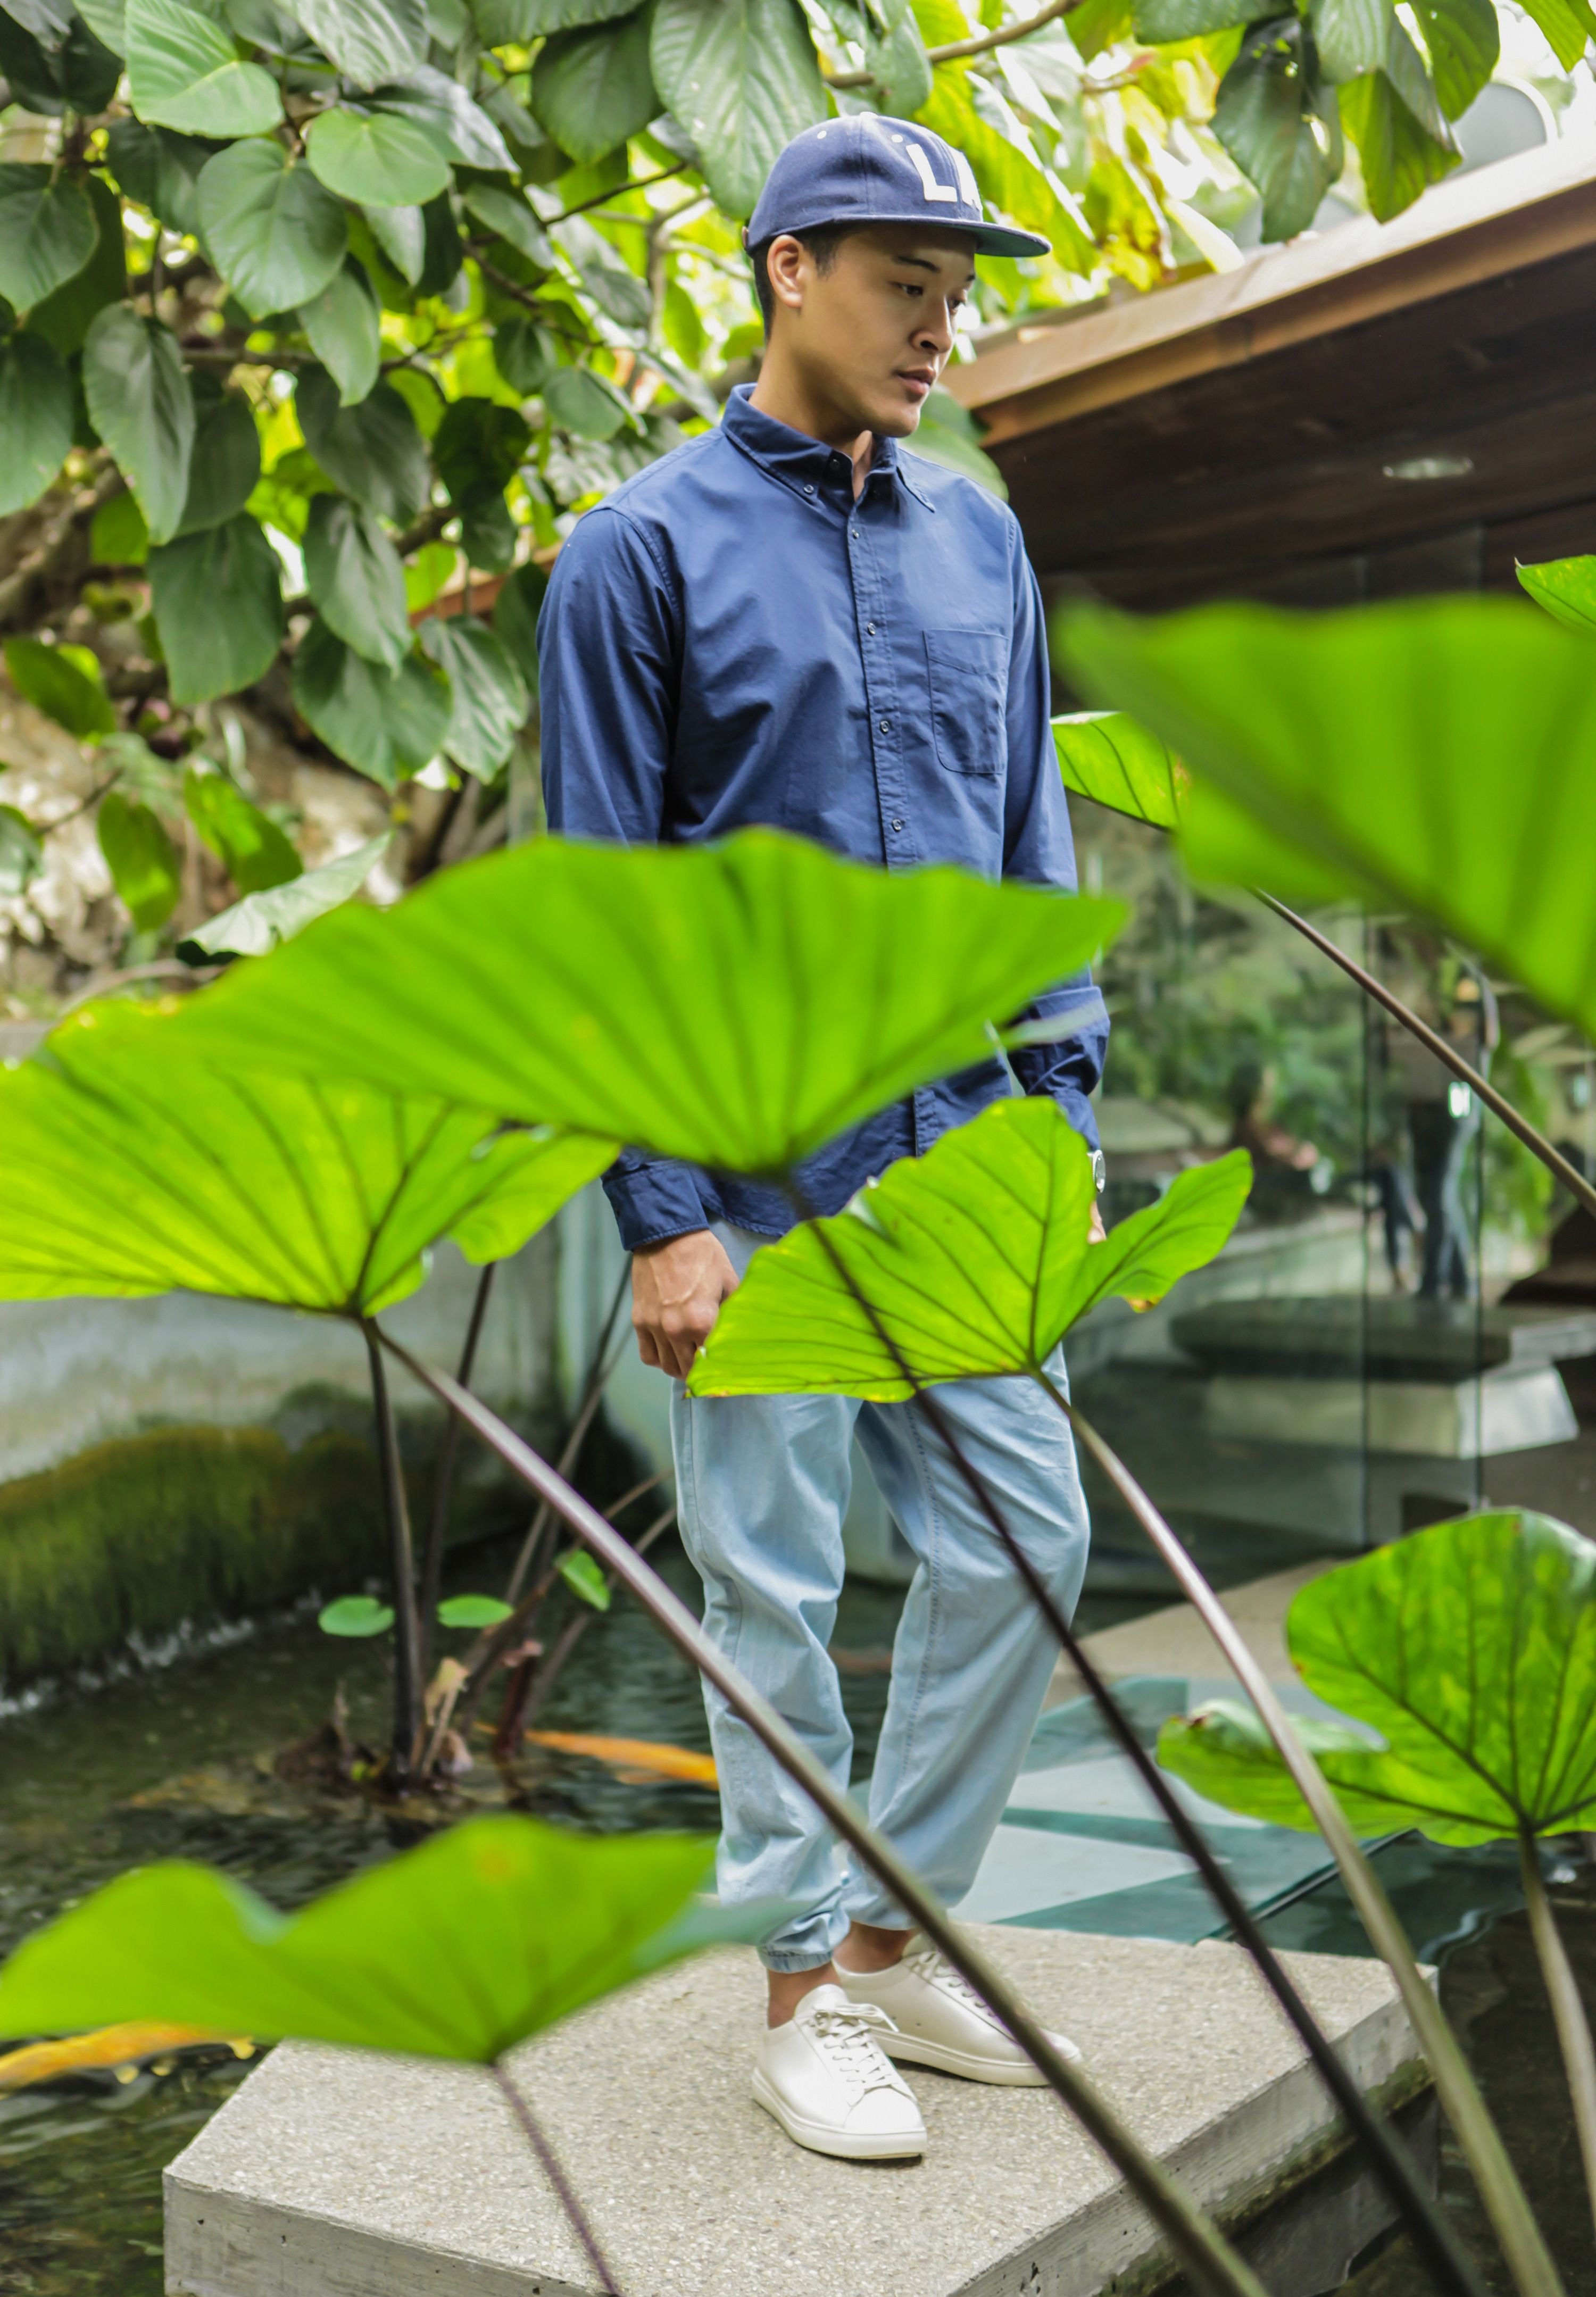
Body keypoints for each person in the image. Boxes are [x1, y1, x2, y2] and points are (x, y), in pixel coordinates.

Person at [537, 114, 1108, 2164]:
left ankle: (884, 1932)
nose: (941, 328)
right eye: (904, 286)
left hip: (968, 1156)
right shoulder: (638, 555)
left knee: (1030, 1541)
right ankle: (799, 1998)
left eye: (958, 294)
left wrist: (1064, 1106)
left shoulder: (982, 539)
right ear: (789, 268)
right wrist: (662, 1216)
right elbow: (602, 907)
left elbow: (1030, 842)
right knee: (768, 1585)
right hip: (750, 1171)